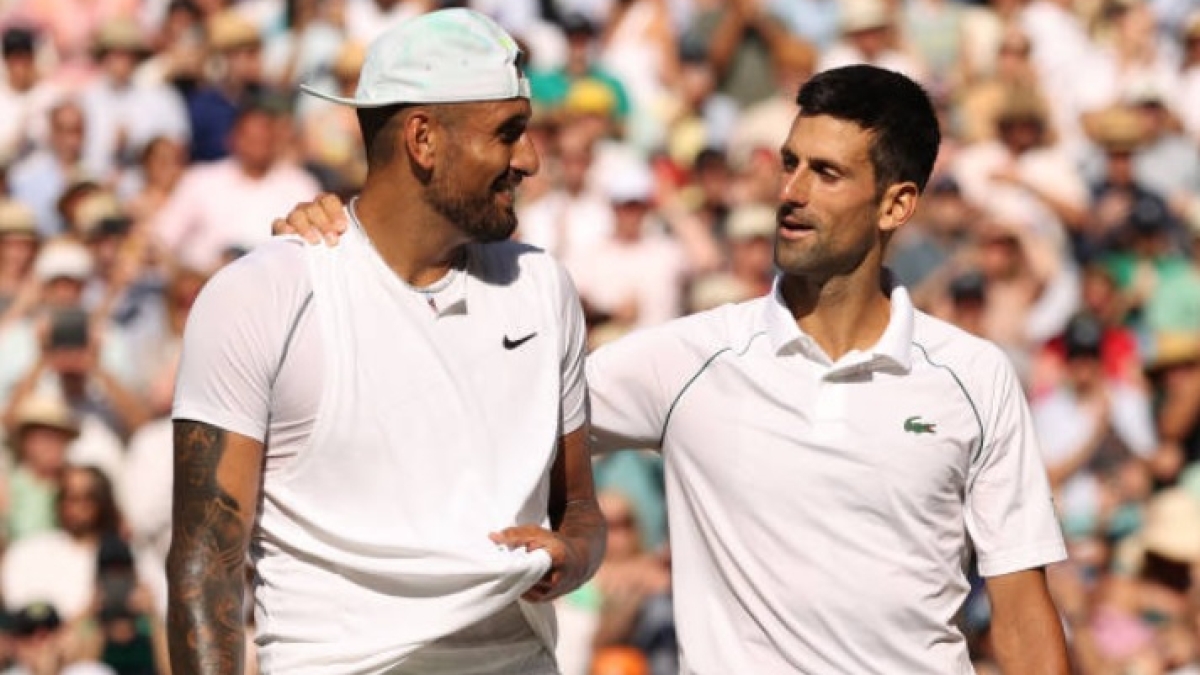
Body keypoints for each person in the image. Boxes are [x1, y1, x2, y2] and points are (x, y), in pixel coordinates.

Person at [280, 65, 1070, 673]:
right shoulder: (689, 359)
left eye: (825, 173)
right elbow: (475, 396)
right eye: (788, 163)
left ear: (896, 205)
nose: (788, 192)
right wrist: (360, 243)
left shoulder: (975, 376)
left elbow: (1025, 614)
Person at [167, 9, 605, 675]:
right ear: (423, 140)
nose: (531, 159)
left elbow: (580, 512)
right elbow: (206, 564)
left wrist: (573, 553)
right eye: (509, 132)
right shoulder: (263, 295)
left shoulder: (545, 288)